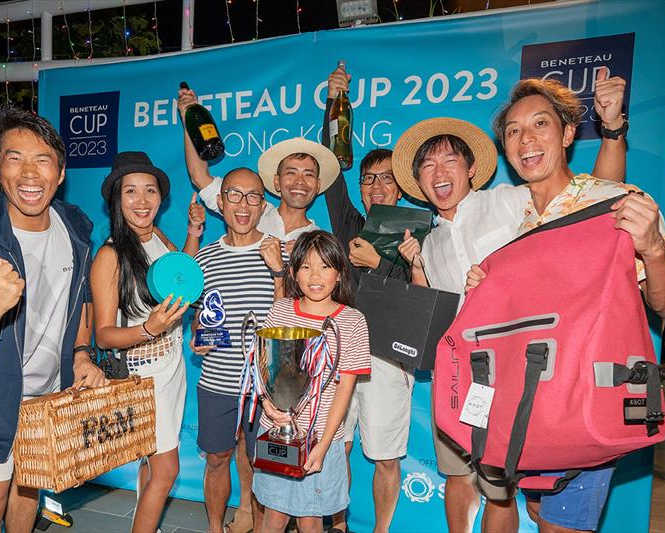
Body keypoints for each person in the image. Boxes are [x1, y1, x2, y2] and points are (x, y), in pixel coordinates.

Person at [394, 67, 629, 532]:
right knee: (493, 485)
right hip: (477, 381)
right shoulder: (429, 242)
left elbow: (591, 209)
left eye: (450, 162)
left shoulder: (507, 200)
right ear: (419, 182)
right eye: (428, 166)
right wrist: (417, 268)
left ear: (473, 169)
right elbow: (437, 319)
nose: (439, 174)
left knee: (546, 501)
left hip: (540, 372)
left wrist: (612, 132)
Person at [460, 77, 665, 533]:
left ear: (567, 135)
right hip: (531, 408)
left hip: (586, 402)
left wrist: (654, 251)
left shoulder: (615, 205)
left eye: (540, 124)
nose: (526, 139)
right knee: (541, 514)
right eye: (513, 131)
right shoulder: (517, 229)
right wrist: (485, 293)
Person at [0, 104, 105, 533]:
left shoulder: (76, 229)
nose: (29, 174)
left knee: (27, 496)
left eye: (42, 160)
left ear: (61, 170)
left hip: (50, 398)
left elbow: (82, 299)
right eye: (14, 159)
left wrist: (83, 354)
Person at [90, 151, 205, 532]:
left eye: (150, 191)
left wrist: (193, 234)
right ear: (116, 200)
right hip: (143, 377)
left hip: (171, 368)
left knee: (151, 463)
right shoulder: (110, 255)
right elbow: (104, 335)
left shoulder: (155, 233)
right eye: (131, 192)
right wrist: (149, 328)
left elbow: (180, 277)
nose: (142, 202)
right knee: (167, 470)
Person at [322, 65, 411, 533]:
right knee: (335, 445)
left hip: (388, 360)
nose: (377, 187)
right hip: (340, 354)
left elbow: (423, 295)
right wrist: (334, 105)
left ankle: (380, 529)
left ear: (400, 185)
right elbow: (332, 171)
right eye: (369, 180)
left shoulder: (419, 230)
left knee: (384, 454)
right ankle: (338, 523)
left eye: (386, 179)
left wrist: (382, 266)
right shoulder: (350, 224)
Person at [253, 230, 371, 533]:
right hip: (277, 432)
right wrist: (267, 405)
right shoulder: (280, 310)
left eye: (325, 266)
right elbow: (261, 367)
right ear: (293, 272)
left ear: (340, 273)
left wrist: (324, 443)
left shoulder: (352, 321)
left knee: (311, 520)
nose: (315, 275)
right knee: (274, 517)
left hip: (321, 436)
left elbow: (346, 388)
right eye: (306, 266)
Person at [191, 167, 287, 533]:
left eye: (253, 197)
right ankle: (216, 529)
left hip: (266, 388)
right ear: (220, 201)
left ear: (264, 206)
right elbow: (202, 320)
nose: (243, 205)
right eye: (234, 195)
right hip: (217, 381)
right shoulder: (204, 261)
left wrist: (278, 272)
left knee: (262, 466)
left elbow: (290, 318)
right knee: (217, 458)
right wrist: (198, 336)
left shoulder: (280, 254)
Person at [178, 86, 340, 248]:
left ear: (318, 185)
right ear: (276, 181)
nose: (300, 181)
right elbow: (199, 176)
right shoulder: (251, 209)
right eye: (291, 172)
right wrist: (189, 118)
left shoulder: (318, 243)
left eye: (308, 174)